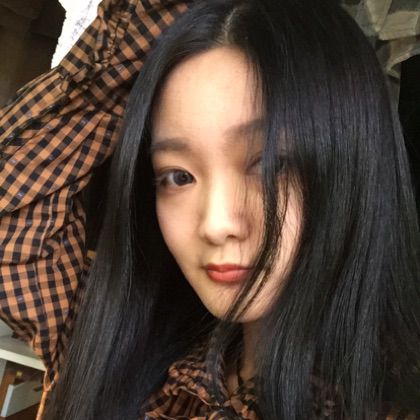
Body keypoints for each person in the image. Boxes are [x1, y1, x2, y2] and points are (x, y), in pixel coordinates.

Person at [1, 0, 419, 419]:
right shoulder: (122, 353)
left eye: (270, 164)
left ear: (355, 158)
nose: (216, 224)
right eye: (178, 176)